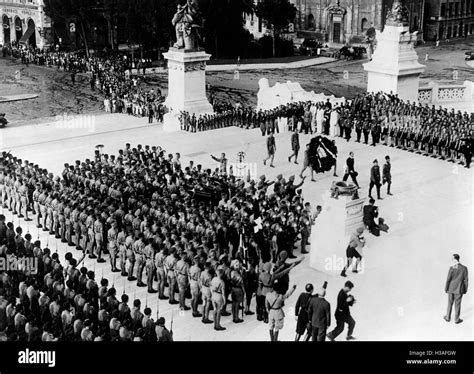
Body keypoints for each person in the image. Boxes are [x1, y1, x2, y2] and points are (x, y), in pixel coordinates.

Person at [444, 254, 468, 324]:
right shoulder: (464, 268)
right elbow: (466, 280)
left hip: (451, 288)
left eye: (452, 259)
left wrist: (446, 288)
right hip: (459, 289)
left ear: (455, 259)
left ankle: (447, 317)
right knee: (457, 304)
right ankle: (457, 319)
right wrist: (465, 289)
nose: (451, 260)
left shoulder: (452, 268)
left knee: (449, 303)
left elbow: (448, 279)